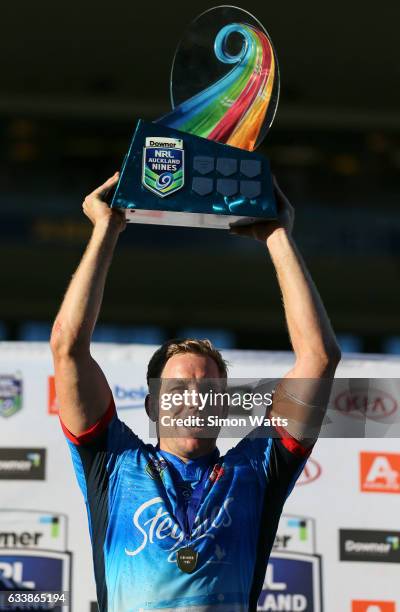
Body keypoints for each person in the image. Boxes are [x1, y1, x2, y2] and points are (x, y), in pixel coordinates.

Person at [50, 172, 341, 612]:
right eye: (179, 388)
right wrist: (106, 230)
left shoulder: (260, 467)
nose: (194, 398)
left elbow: (319, 358)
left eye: (209, 389)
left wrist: (277, 236)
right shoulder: (111, 461)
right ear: (152, 404)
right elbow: (68, 348)